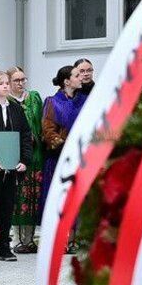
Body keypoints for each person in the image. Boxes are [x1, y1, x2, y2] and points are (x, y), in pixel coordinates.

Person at [0, 69, 32, 260]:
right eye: (0, 83)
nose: (5, 86)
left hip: (12, 165)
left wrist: (24, 160)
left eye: (6, 83)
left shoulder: (15, 108)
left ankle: (4, 244)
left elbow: (25, 134)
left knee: (7, 205)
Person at [40, 63, 88, 215]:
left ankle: (76, 230)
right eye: (77, 75)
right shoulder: (52, 102)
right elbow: (48, 130)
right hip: (59, 158)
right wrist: (65, 148)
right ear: (67, 81)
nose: (81, 77)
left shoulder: (85, 101)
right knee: (59, 202)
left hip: (80, 157)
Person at [9, 66, 44, 253]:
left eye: (23, 79)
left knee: (32, 195)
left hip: (35, 153)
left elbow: (40, 124)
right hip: (14, 153)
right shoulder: (6, 101)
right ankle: (16, 239)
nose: (21, 83)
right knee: (16, 196)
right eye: (16, 80)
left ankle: (29, 239)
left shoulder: (34, 98)